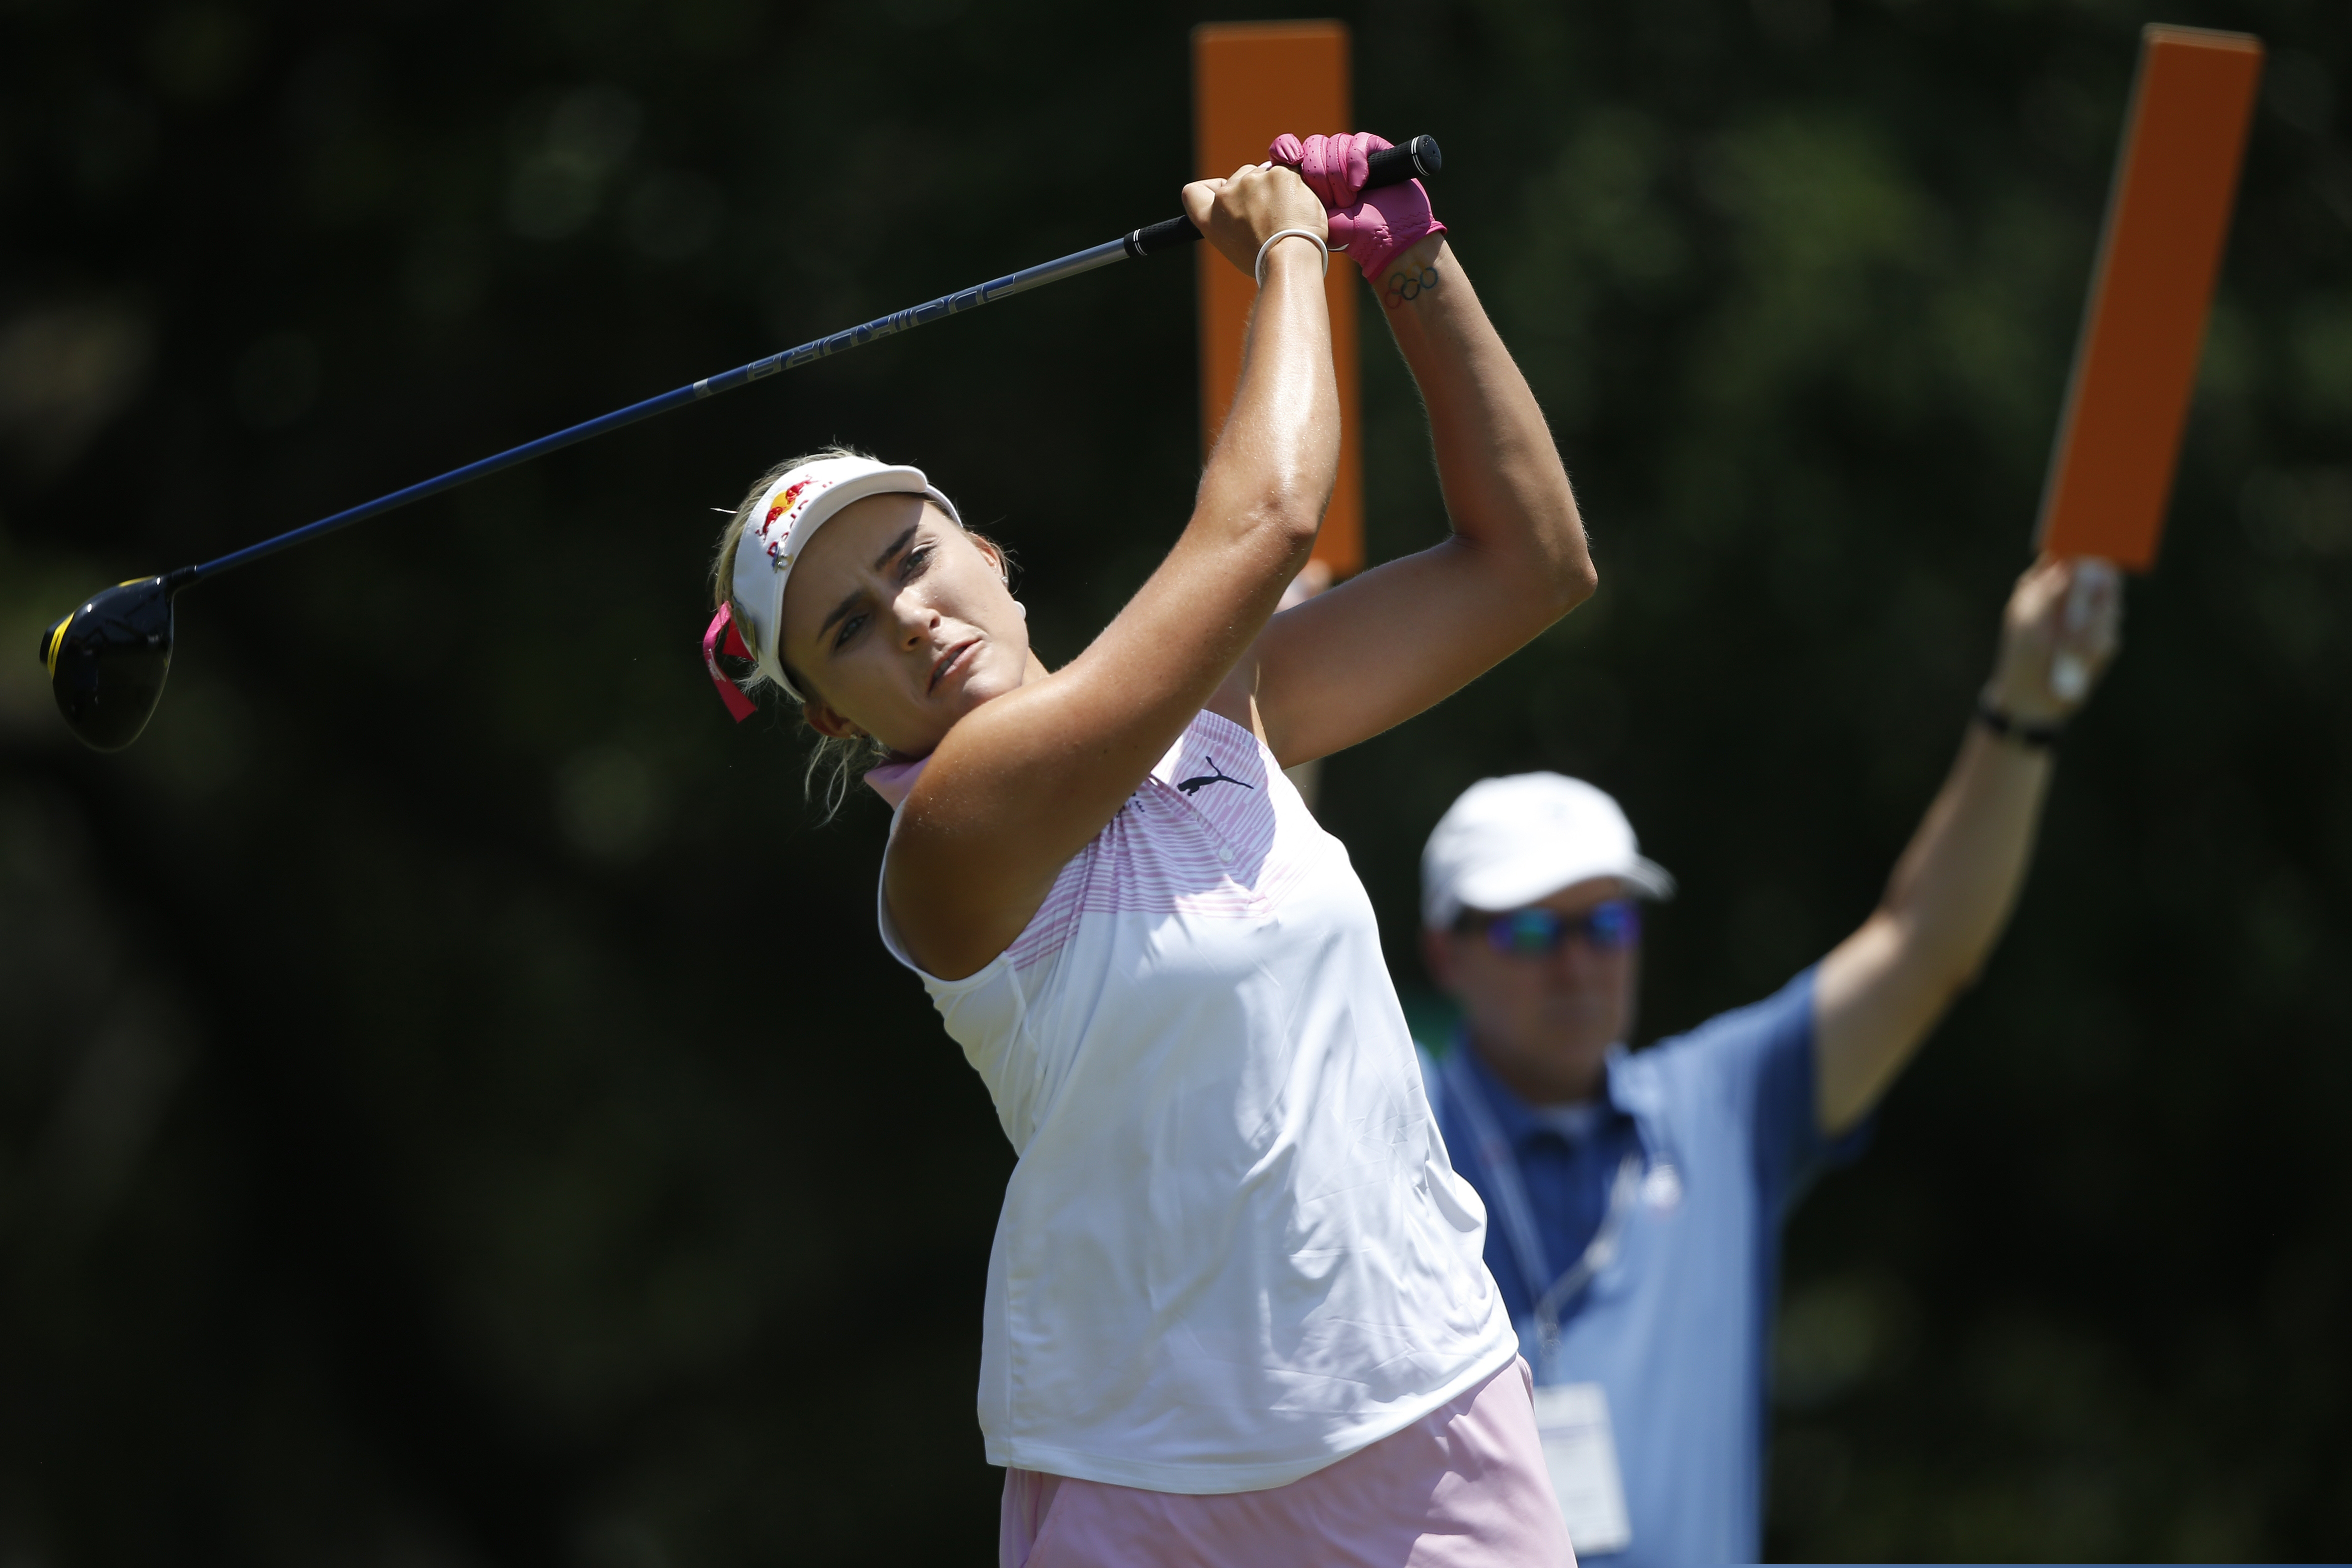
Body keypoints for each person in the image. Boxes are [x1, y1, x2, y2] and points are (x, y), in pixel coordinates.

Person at [700, 134, 1595, 1566]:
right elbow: (1268, 516)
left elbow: (1532, 563)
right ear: (829, 714)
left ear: (986, 553)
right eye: (849, 629)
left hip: (1429, 1415)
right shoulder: (950, 839)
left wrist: (1409, 256)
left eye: (912, 560)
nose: (911, 618)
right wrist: (1292, 248)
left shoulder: (1227, 709)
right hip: (1147, 1488)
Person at [1416, 557, 2124, 1568]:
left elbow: (1926, 943)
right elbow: (1259, 976)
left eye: (1607, 921)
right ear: (1445, 950)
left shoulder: (1717, 1105)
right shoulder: (1395, 1132)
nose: (1578, 960)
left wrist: (2022, 708)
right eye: (1532, 930)